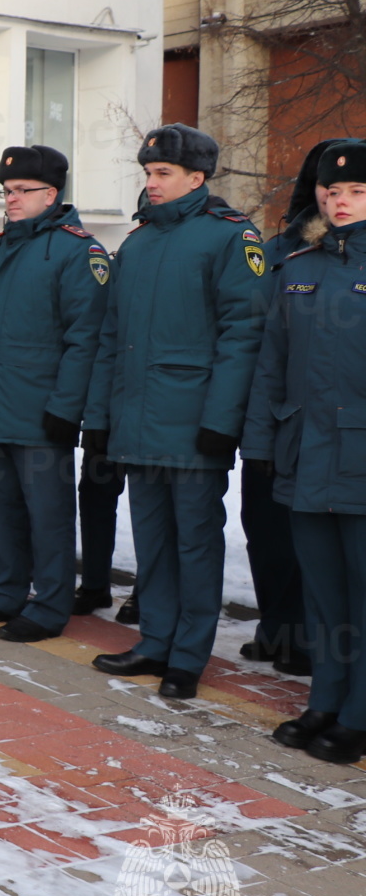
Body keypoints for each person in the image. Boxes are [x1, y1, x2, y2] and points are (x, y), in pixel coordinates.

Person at [84, 125, 265, 701]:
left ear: (197, 178)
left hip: (193, 423)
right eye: (147, 173)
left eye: (162, 173)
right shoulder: (137, 243)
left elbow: (244, 333)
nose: (151, 183)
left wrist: (221, 420)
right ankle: (154, 641)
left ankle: (187, 655)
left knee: (196, 542)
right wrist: (101, 416)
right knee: (153, 539)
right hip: (138, 419)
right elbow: (111, 336)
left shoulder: (229, 238)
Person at [0, 145, 109, 643]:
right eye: (6, 191)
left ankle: (50, 604)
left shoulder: (78, 252)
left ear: (51, 194)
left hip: (41, 415)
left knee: (49, 517)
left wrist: (65, 408)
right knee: (2, 511)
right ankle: (7, 592)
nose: (11, 200)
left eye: (22, 191)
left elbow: (86, 339)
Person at [243, 139, 366, 763]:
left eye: (357, 192)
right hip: (305, 454)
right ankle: (325, 698)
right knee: (321, 592)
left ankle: (358, 713)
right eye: (333, 191)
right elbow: (272, 366)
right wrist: (262, 441)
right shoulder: (300, 267)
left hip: (360, 460)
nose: (340, 202)